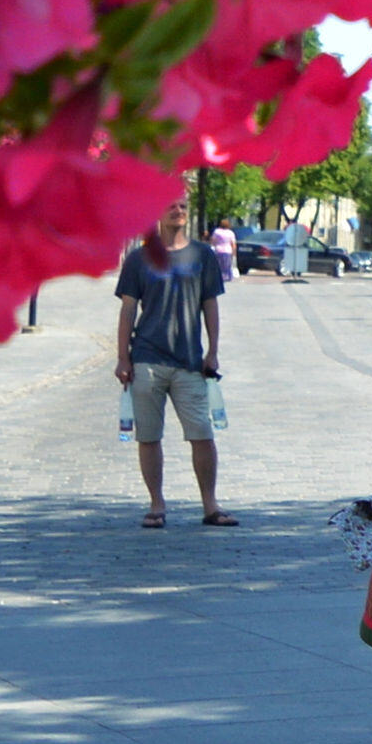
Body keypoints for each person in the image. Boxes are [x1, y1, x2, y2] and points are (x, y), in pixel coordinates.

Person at [115, 200, 232, 530]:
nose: (177, 210)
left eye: (182, 205)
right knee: (149, 436)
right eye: (169, 204)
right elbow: (127, 310)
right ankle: (156, 504)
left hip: (189, 362)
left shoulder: (202, 255)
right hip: (147, 359)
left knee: (202, 434)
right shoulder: (140, 258)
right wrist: (123, 357)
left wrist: (213, 350)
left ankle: (210, 505)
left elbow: (210, 305)